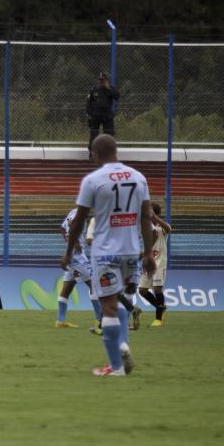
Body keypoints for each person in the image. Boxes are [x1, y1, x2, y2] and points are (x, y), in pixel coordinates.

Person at [62, 134, 155, 377]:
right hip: (131, 252)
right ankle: (121, 352)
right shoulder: (138, 177)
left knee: (109, 307)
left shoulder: (93, 180)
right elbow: (146, 218)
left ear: (96, 153)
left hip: (104, 253)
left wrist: (69, 251)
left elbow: (78, 221)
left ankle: (117, 361)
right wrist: (148, 252)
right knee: (120, 300)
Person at [55, 208, 103, 329]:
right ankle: (100, 320)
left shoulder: (73, 211)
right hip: (77, 256)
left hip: (72, 255)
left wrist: (68, 240)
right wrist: (75, 242)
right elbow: (72, 225)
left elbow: (62, 228)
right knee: (93, 284)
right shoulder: (80, 213)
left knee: (67, 289)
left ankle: (60, 321)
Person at [138, 203, 172, 327]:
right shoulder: (146, 227)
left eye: (150, 211)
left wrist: (155, 218)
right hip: (148, 262)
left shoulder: (161, 227)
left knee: (157, 289)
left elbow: (169, 229)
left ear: (156, 213)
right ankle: (161, 307)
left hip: (159, 262)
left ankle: (159, 318)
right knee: (142, 290)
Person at [86, 72, 120, 158]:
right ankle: (92, 154)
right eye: (100, 80)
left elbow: (117, 96)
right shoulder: (94, 90)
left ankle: (110, 154)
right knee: (93, 135)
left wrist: (109, 88)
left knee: (109, 135)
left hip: (107, 116)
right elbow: (88, 104)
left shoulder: (110, 89)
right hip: (96, 116)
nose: (101, 82)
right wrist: (90, 115)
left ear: (107, 80)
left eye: (103, 80)